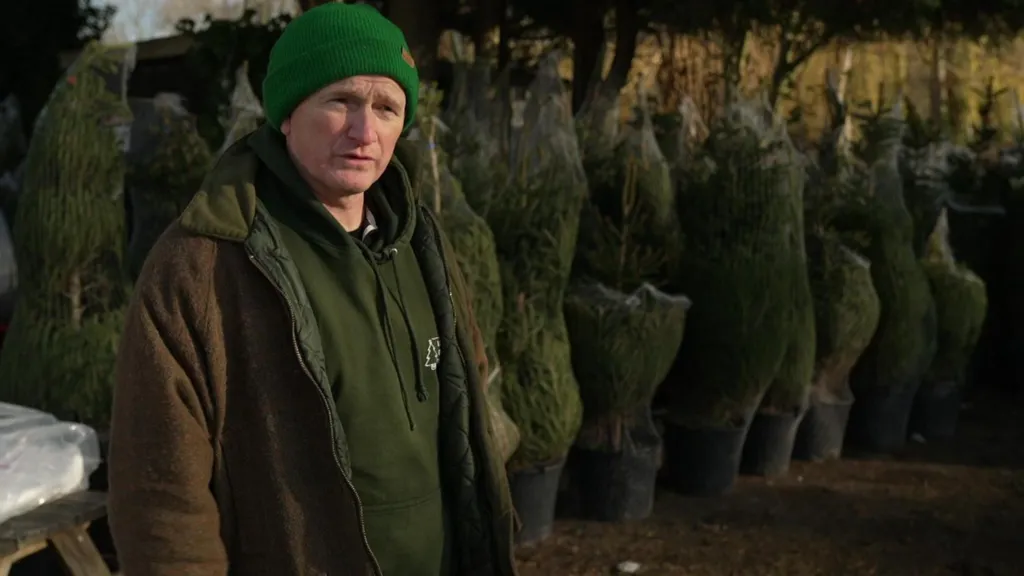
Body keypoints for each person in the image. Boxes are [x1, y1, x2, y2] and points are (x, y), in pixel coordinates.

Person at [106, 4, 517, 576]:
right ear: (287, 113)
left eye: (386, 108)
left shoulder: (422, 243)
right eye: (340, 101)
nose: (364, 132)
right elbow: (161, 495)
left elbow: (468, 392)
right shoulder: (203, 264)